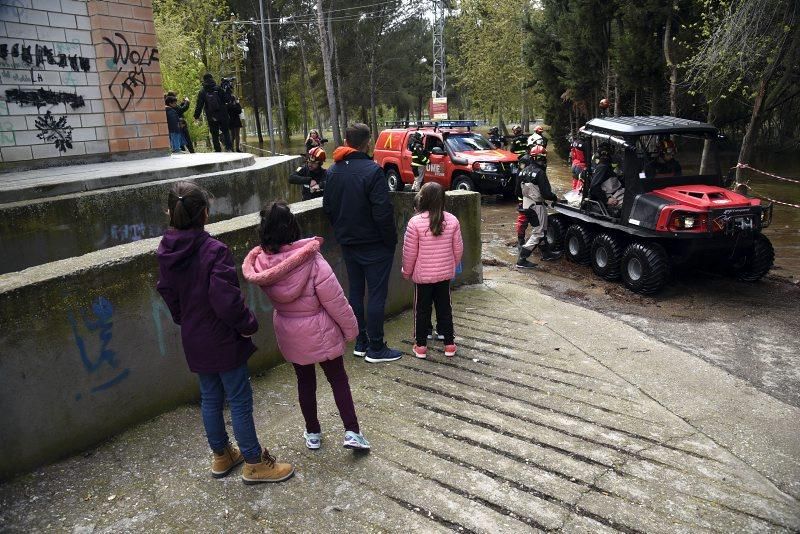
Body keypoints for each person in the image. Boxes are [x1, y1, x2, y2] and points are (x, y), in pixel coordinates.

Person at [156, 181, 294, 484]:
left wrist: (186, 319)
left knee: (210, 398)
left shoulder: (165, 252)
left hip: (194, 337)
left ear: (170, 212)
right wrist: (248, 326)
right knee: (240, 400)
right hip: (222, 338)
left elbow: (168, 293)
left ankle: (222, 455)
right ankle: (255, 462)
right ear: (205, 213)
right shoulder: (213, 251)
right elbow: (226, 300)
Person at [242, 201, 371, 452]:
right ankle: (352, 431)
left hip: (290, 330)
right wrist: (352, 330)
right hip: (320, 330)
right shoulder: (312, 261)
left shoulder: (265, 265)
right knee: (338, 379)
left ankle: (313, 433)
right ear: (292, 227)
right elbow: (336, 301)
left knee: (304, 382)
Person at [323, 123, 402, 363]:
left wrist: (342, 233)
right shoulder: (372, 171)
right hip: (374, 244)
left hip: (348, 243)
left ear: (347, 140)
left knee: (356, 292)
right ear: (367, 142)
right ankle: (376, 348)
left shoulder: (333, 171)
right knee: (377, 295)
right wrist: (390, 241)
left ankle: (361, 342)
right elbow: (382, 212)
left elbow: (328, 207)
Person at [402, 183, 463, 359]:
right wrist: (451, 265)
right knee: (445, 308)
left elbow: (409, 253)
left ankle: (421, 346)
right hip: (444, 275)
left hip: (423, 277)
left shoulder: (415, 222)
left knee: (421, 310)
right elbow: (458, 249)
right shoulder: (452, 220)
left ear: (423, 199)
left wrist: (407, 272)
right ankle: (449, 345)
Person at [516, 145, 559, 269]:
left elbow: (517, 192)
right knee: (539, 233)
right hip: (537, 206)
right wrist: (555, 198)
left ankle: (546, 253)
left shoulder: (522, 171)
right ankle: (522, 258)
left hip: (526, 205)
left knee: (541, 229)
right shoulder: (540, 172)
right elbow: (546, 193)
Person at [193, 73, 233, 152]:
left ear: (204, 80)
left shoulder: (202, 91)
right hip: (222, 115)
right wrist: (228, 90)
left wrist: (196, 116)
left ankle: (217, 150)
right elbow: (227, 100)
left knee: (214, 134)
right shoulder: (218, 88)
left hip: (211, 116)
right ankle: (229, 148)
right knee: (226, 131)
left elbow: (199, 105)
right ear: (212, 78)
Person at [589, 143, 624, 211]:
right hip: (610, 197)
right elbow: (594, 186)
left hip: (616, 191)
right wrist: (607, 200)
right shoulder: (603, 167)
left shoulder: (606, 166)